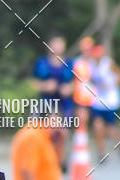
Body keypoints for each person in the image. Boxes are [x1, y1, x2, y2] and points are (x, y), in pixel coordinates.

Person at [32, 35, 75, 165]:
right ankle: (48, 159)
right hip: (47, 102)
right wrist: (45, 86)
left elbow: (76, 83)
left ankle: (61, 160)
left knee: (63, 132)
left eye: (60, 44)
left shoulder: (69, 63)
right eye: (55, 44)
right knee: (48, 130)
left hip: (65, 103)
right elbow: (33, 82)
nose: (58, 47)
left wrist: (69, 88)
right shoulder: (42, 63)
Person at [90, 45, 120, 159]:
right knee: (97, 126)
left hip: (111, 102)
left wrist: (110, 85)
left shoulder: (108, 64)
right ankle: (102, 153)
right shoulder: (90, 65)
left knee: (111, 129)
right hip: (97, 101)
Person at [72, 36, 96, 131]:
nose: (87, 51)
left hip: (96, 98)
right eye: (85, 49)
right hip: (81, 97)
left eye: (89, 49)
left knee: (98, 124)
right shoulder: (76, 62)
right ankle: (81, 145)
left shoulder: (95, 62)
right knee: (81, 122)